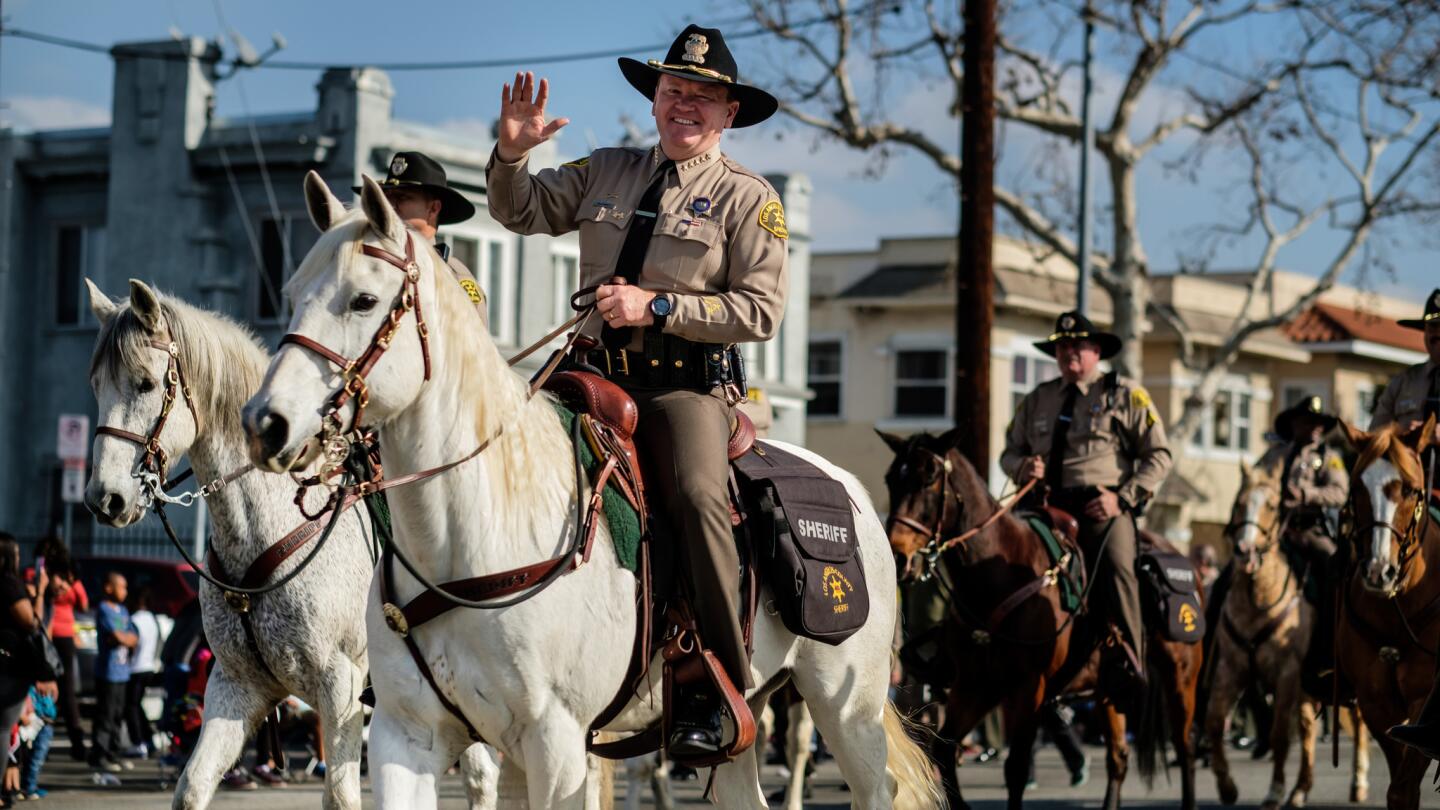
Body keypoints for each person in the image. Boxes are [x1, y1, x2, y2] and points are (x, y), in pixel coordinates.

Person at [486, 24, 787, 756]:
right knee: (491, 449)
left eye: (703, 97)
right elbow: (519, 211)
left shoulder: (749, 199)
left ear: (729, 114)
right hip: (588, 372)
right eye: (674, 89)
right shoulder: (605, 169)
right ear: (655, 98)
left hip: (681, 388)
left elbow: (761, 312)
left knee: (695, 496)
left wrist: (658, 306)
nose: (685, 104)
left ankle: (721, 681)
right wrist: (513, 154)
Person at [1000, 311, 1172, 700]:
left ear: (1096, 351)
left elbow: (1159, 456)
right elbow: (1008, 454)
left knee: (1116, 568)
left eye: (1077, 345)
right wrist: (1022, 466)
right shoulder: (1037, 399)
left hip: (1100, 508)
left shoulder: (1123, 394)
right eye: (1062, 346)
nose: (1068, 353)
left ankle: (1131, 663)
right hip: (1045, 507)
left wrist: (1122, 497)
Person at [1373, 289, 1440, 758]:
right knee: (1351, 552)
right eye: (1431, 329)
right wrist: (1402, 435)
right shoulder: (1403, 383)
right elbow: (1375, 435)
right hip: (1404, 501)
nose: (1436, 336)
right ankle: (1337, 661)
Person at [360, 151, 489, 326]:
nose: (390, 205)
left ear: (434, 208)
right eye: (387, 197)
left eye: (402, 197)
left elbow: (474, 346)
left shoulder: (456, 276)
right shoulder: (371, 259)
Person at [0, 536, 55, 809]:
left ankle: (9, 786)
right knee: (6, 730)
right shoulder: (9, 583)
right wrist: (41, 593)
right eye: (17, 553)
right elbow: (32, 622)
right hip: (9, 666)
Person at [34, 538, 87, 761]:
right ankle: (73, 742)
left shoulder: (47, 583)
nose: (65, 586)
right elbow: (83, 603)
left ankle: (59, 740)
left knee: (62, 688)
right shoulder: (40, 585)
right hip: (59, 635)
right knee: (65, 689)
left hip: (60, 634)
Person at [89, 572, 136, 775]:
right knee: (105, 715)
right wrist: (123, 638)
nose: (125, 591)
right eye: (121, 586)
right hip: (108, 672)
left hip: (122, 672)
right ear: (109, 587)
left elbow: (133, 637)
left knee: (118, 715)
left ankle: (114, 753)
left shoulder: (124, 611)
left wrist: (124, 638)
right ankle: (99, 755)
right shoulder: (104, 609)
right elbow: (116, 636)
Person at [123, 586, 160, 759]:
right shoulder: (152, 619)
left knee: (130, 706)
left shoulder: (134, 619)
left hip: (135, 668)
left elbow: (131, 643)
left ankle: (138, 743)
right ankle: (149, 739)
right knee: (137, 705)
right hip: (149, 667)